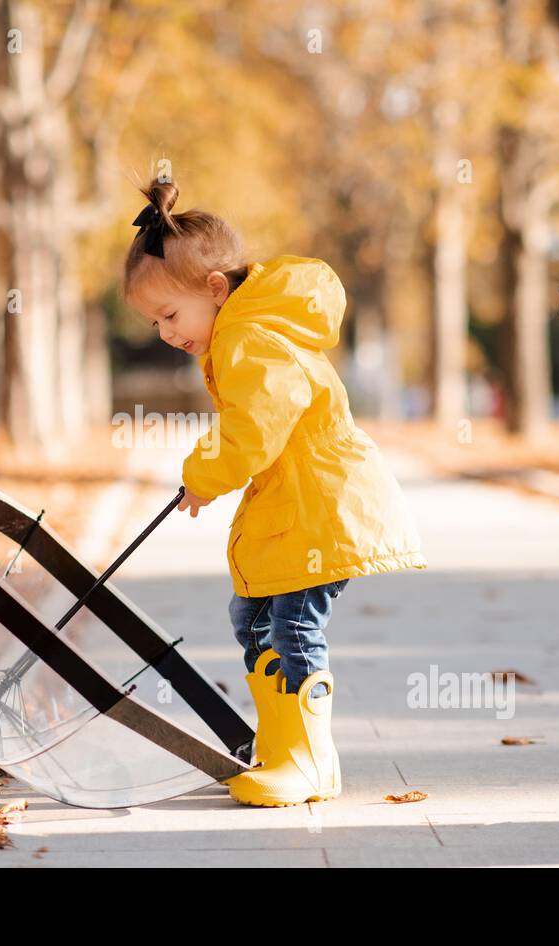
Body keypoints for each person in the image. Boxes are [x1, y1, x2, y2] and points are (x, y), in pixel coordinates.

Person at [121, 178, 427, 807]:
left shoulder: (248, 339)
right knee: (255, 618)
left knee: (291, 627)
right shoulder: (243, 332)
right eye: (154, 322)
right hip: (302, 508)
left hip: (321, 508)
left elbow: (254, 428)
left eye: (170, 315)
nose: (164, 333)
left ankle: (307, 762)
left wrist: (204, 474)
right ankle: (288, 747)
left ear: (214, 290)